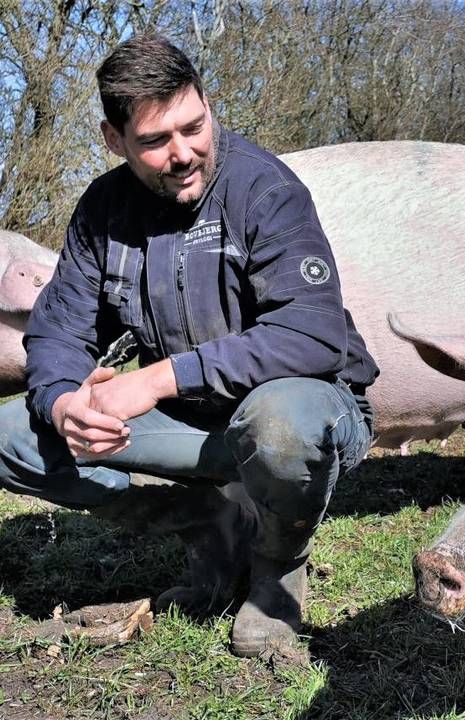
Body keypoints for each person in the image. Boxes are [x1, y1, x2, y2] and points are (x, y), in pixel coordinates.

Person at [0, 33, 378, 657]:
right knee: (15, 436)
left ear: (206, 105)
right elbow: (57, 330)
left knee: (279, 423)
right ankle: (210, 526)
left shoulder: (265, 190)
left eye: (194, 126)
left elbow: (311, 336)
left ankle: (278, 568)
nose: (183, 153)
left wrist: (152, 380)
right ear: (114, 141)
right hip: (200, 422)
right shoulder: (103, 211)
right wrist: (66, 403)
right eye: (155, 141)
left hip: (312, 408)